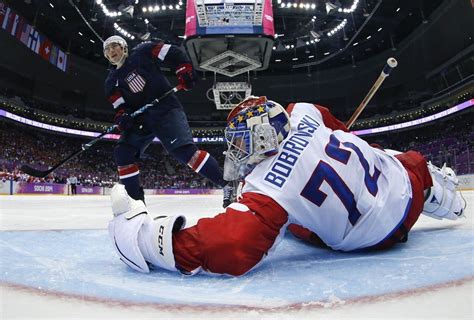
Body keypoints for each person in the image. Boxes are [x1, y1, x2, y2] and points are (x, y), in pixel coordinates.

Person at [107, 96, 466, 276]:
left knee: (286, 223)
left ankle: (425, 184)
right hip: (403, 186)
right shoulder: (303, 110)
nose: (238, 151)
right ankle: (434, 186)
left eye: (243, 142)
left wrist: (141, 237)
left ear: (262, 138)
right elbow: (341, 132)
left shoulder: (267, 188)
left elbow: (231, 245)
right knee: (400, 158)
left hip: (371, 240)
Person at [102, 35, 234, 206]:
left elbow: (174, 52)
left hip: (165, 110)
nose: (111, 51)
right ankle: (135, 205)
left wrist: (183, 69)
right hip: (140, 120)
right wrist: (122, 117)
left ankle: (227, 184)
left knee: (185, 152)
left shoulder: (142, 52)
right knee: (123, 153)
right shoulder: (111, 81)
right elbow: (120, 107)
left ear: (124, 47)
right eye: (108, 49)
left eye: (114, 46)